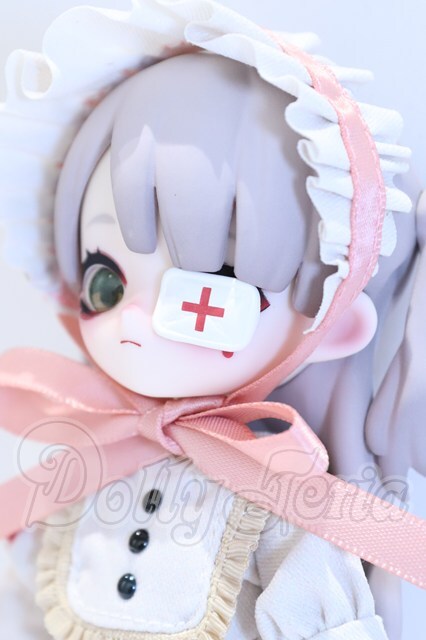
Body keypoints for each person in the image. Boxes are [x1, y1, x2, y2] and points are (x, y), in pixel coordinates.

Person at [0, 1, 422, 638]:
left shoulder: (278, 488)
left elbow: (320, 614)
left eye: (211, 285)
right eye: (105, 282)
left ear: (335, 328)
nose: (135, 319)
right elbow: (26, 587)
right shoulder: (94, 461)